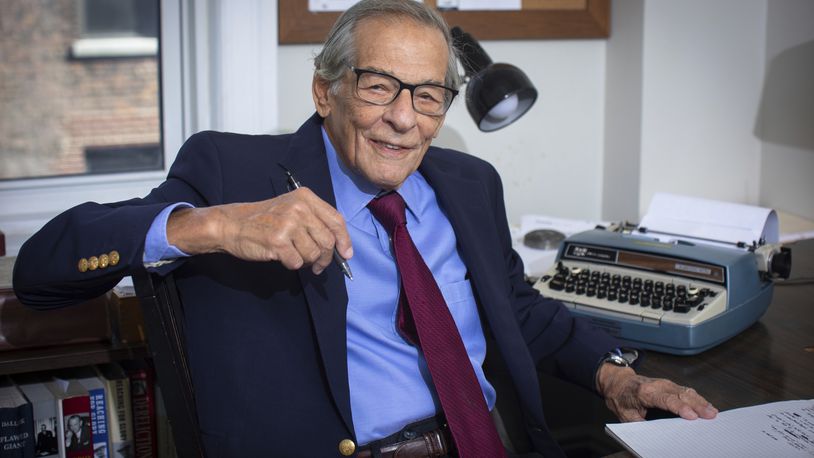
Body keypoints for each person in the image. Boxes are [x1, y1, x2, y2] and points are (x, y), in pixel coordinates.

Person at [13, 0, 717, 456]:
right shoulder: (231, 171)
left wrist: (614, 375)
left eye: (429, 94)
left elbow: (519, 309)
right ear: (327, 91)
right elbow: (40, 271)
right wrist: (215, 225)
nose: (404, 118)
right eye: (379, 86)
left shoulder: (470, 184)